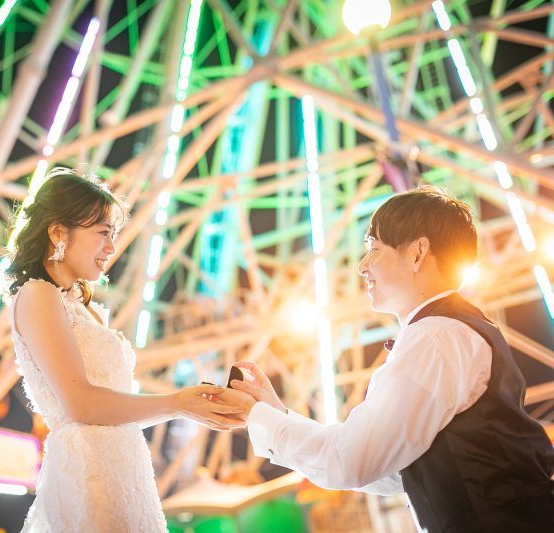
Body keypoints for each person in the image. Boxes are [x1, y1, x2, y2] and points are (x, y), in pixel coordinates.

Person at [216, 186, 554, 532]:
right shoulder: (458, 329)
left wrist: (259, 416)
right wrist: (275, 417)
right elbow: (390, 468)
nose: (362, 266)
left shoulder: (434, 338)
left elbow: (351, 460)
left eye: (373, 249)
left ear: (418, 253)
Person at [5, 168, 245, 533]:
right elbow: (82, 405)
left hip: (126, 473)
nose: (112, 249)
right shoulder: (38, 295)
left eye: (113, 235)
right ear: (57, 232)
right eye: (102, 233)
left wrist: (186, 406)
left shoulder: (84, 308)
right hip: (89, 476)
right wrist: (176, 402)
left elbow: (115, 411)